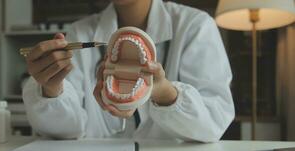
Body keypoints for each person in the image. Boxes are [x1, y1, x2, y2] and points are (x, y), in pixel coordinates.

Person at [23, 0, 235, 142]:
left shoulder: (195, 26)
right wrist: (51, 88)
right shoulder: (80, 32)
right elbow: (63, 129)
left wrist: (164, 93)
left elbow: (213, 121)